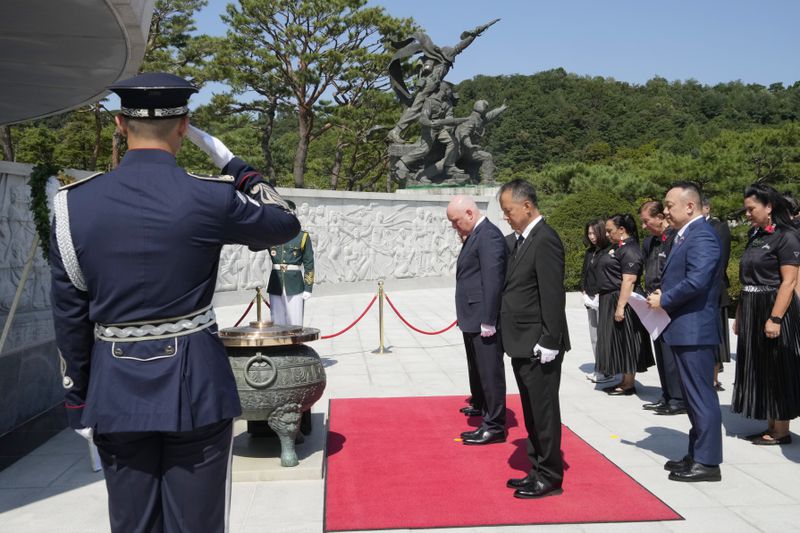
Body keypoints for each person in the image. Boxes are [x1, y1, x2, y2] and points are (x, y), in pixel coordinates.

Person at [51, 72, 300, 532]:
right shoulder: (211, 196)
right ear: (184, 125)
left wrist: (79, 400)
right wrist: (236, 166)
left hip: (114, 386)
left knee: (133, 522)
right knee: (197, 522)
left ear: (121, 124)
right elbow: (285, 223)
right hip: (196, 385)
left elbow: (69, 314)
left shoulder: (72, 206)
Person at [647, 181, 723, 482]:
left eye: (670, 205)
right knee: (693, 397)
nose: (666, 211)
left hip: (694, 329)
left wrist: (664, 298)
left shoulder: (702, 235)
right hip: (683, 327)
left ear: (690, 206)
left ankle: (708, 461)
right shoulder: (685, 235)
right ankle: (697, 452)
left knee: (701, 396)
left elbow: (698, 280)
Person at [498, 179, 569, 499]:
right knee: (531, 411)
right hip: (522, 341)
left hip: (540, 344)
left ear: (527, 206)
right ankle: (537, 468)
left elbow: (552, 295)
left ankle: (550, 475)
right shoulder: (522, 239)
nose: (506, 217)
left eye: (508, 210)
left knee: (543, 412)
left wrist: (550, 340)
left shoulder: (545, 240)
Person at [731, 184, 800, 446]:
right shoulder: (755, 234)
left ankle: (781, 429)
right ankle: (770, 423)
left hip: (773, 305)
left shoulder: (787, 236)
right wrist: (740, 312)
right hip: (752, 304)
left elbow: (789, 282)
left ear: (769, 207)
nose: (747, 213)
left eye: (752, 209)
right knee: (761, 366)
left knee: (777, 366)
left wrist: (775, 318)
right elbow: (747, 276)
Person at [447, 195, 507, 444]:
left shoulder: (489, 235)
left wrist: (489, 319)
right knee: (477, 367)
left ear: (470, 213)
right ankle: (483, 406)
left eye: (455, 221)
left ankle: (494, 425)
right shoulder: (476, 234)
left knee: (489, 370)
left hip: (483, 315)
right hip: (472, 314)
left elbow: (493, 280)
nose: (453, 226)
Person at [595, 214, 654, 395]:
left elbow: (628, 279)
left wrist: (621, 306)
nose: (607, 234)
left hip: (623, 300)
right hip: (609, 298)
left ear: (622, 230)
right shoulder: (618, 247)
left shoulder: (631, 250)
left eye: (610, 230)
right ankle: (623, 379)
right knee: (616, 341)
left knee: (626, 340)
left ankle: (628, 383)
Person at [639, 201, 685, 415]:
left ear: (660, 217)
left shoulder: (676, 238)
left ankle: (678, 398)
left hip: (669, 302)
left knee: (671, 353)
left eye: (647, 221)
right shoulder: (651, 242)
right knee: (661, 352)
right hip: (653, 303)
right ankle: (667, 394)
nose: (644, 226)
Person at [267, 201, 315, 326]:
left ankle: (295, 345)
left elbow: (309, 263)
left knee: (295, 322)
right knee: (277, 323)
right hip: (276, 283)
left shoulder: (302, 237)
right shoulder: (272, 235)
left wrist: (308, 287)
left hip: (294, 284)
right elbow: (254, 244)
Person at [702, 196, 732, 391]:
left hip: (714, 288)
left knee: (716, 334)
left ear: (706, 208)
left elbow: (720, 260)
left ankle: (713, 377)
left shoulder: (718, 226)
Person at [580, 218, 613, 384]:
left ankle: (607, 369)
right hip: (590, 298)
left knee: (604, 335)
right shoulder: (589, 252)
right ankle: (599, 367)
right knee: (594, 335)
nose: (591, 236)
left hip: (604, 298)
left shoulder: (609, 250)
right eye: (589, 233)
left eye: (594, 232)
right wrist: (583, 288)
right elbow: (584, 272)